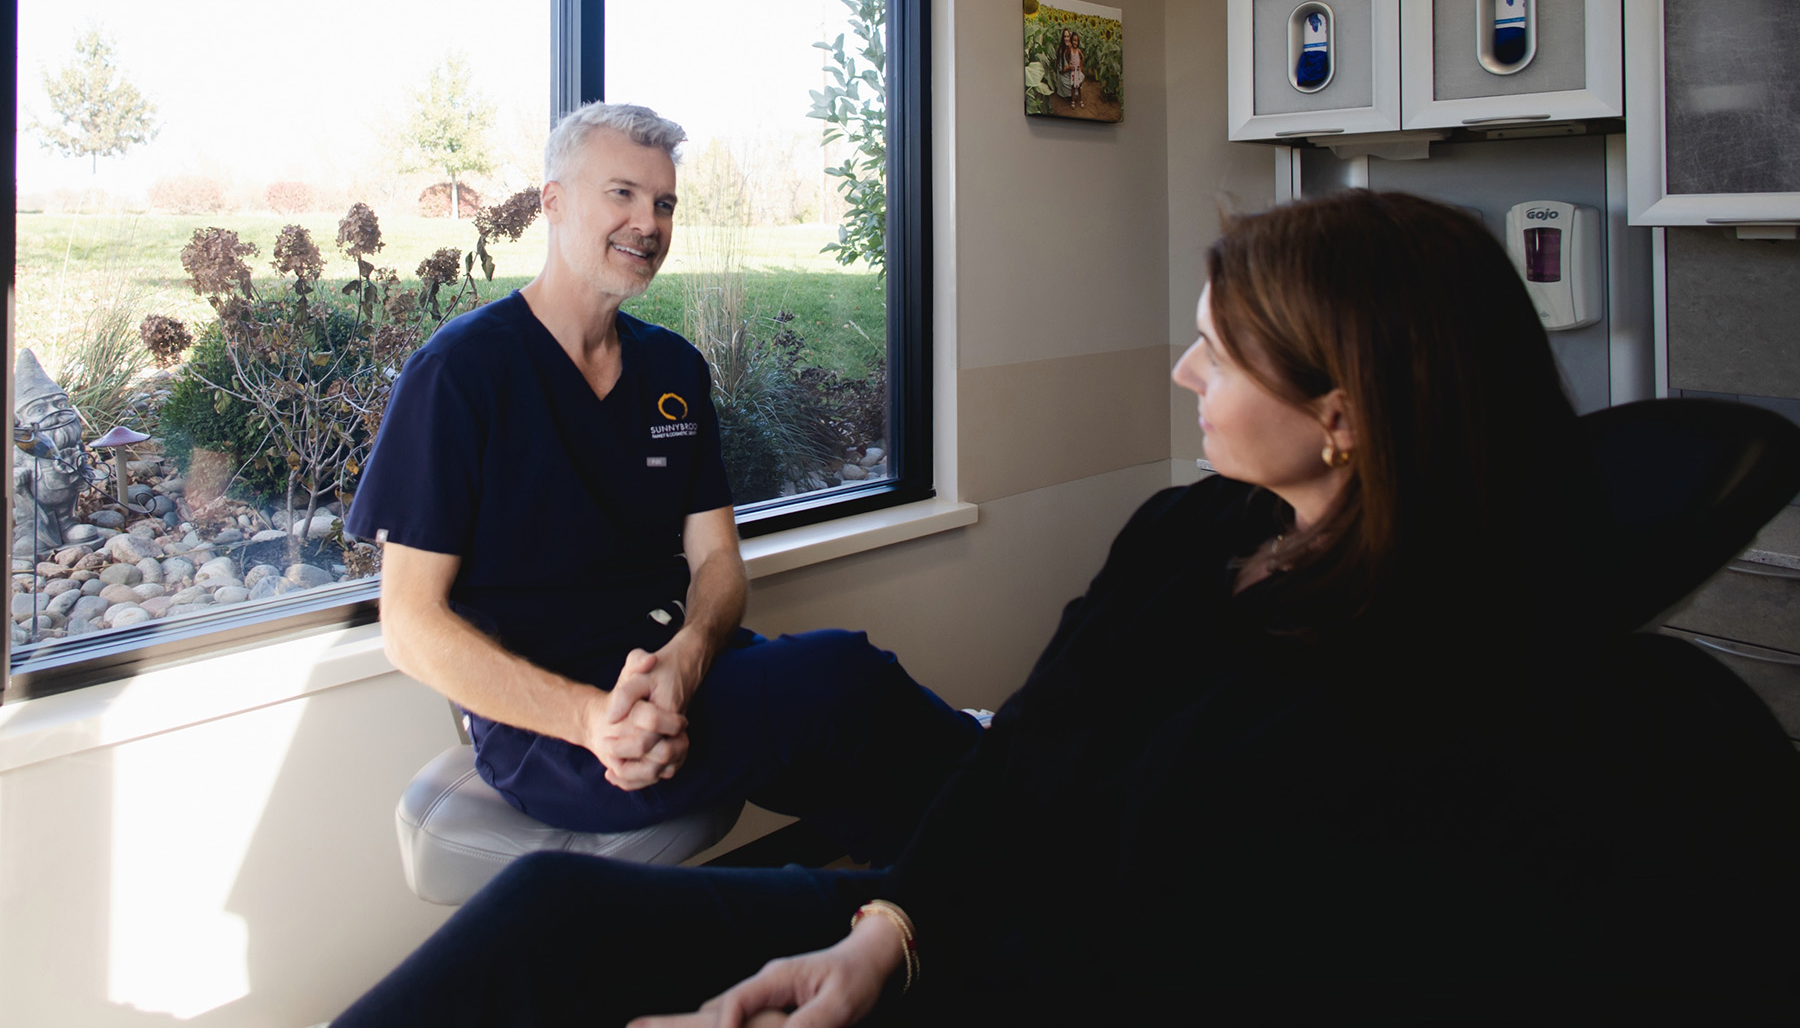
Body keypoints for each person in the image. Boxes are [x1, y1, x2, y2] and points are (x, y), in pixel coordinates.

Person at [335, 190, 1800, 1027]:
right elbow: (1029, 749)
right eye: (622, 197)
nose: (1182, 373)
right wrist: (887, 931)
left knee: (835, 682)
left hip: (1071, 974)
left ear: (1342, 416)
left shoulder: (1536, 723)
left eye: (1219, 355)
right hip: (964, 910)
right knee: (550, 917)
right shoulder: (1192, 533)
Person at [346, 101, 979, 864]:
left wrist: (691, 652)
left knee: (862, 777)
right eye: (622, 193)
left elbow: (716, 561)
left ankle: (931, 920)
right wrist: (593, 720)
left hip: (684, 675)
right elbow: (410, 625)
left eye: (665, 202)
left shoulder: (673, 370)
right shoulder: (460, 374)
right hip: (553, 730)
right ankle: (1020, 781)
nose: (648, 222)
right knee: (847, 674)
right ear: (553, 201)